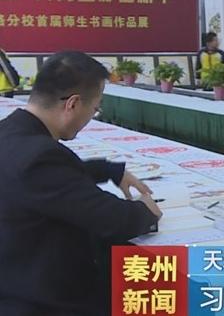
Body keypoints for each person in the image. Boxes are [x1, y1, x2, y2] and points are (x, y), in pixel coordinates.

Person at [0, 51, 162, 315]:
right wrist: (147, 211)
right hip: (45, 299)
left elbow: (47, 182)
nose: (91, 117)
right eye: (94, 109)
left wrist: (109, 171)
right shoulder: (41, 156)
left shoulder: (10, 132)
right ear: (73, 104)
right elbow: (113, 219)